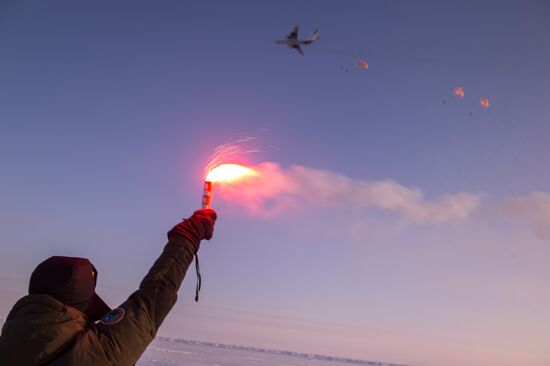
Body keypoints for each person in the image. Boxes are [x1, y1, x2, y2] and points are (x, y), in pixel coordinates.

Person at [0, 208, 217, 366]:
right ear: (80, 301)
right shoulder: (101, 351)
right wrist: (187, 237)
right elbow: (156, 293)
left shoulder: (8, 342)